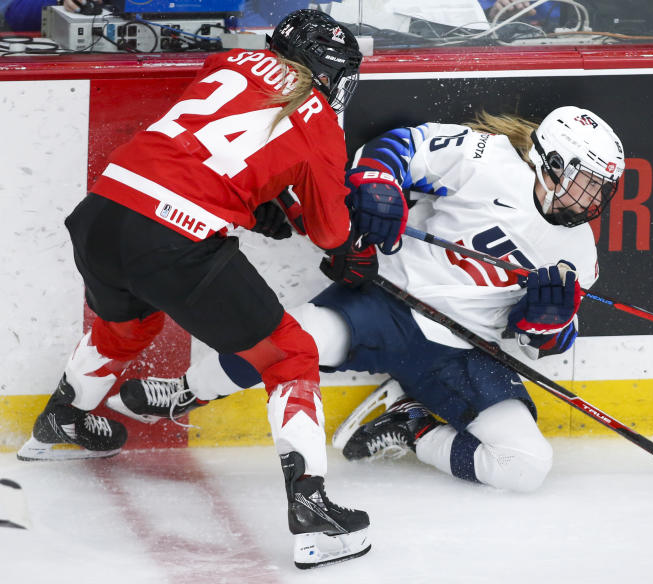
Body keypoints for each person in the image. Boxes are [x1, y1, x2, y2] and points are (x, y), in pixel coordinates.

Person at [16, 8, 407, 570]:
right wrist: (350, 248)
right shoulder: (317, 113)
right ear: (330, 71)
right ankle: (314, 514)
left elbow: (207, 153)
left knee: (128, 325)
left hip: (103, 212)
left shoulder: (230, 61)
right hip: (172, 237)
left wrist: (257, 206)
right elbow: (329, 231)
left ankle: (62, 418)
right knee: (291, 354)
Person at [107, 105, 625, 493]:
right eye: (585, 182)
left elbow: (545, 343)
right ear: (550, 162)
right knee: (287, 342)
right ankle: (185, 392)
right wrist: (380, 185)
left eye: (603, 188)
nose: (593, 199)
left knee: (527, 466)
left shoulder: (579, 251)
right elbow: (396, 149)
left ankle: (414, 423)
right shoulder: (484, 158)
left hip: (463, 352)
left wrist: (548, 319)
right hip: (382, 305)